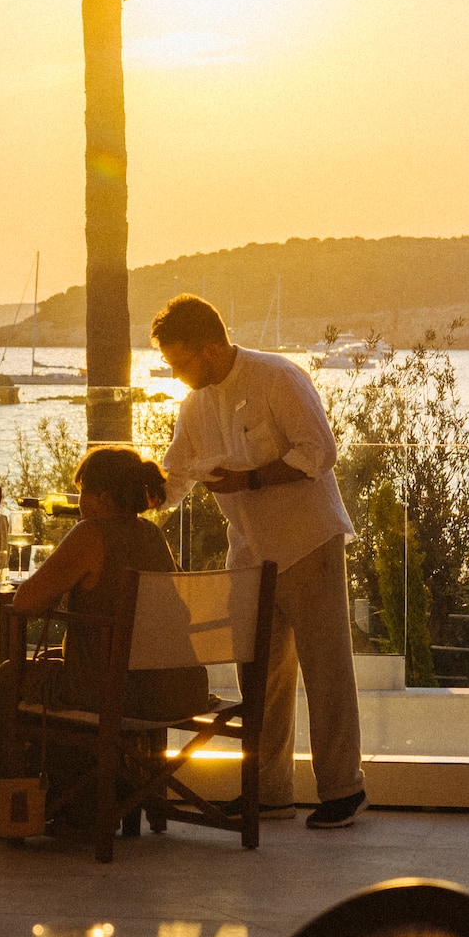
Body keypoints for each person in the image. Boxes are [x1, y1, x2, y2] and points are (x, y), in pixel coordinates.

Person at [152, 295, 367, 828]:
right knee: (261, 677)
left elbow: (318, 451)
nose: (174, 374)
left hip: (307, 542)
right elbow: (173, 477)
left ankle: (344, 789)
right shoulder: (194, 406)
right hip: (248, 550)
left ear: (209, 348)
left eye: (179, 363)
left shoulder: (277, 378)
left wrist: (249, 479)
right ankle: (269, 792)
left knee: (326, 670)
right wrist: (120, 496)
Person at [0, 447, 212, 830]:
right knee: (61, 667)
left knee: (12, 675)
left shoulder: (92, 532)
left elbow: (25, 601)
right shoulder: (151, 535)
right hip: (178, 687)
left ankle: (24, 813)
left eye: (82, 492)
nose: (79, 503)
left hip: (119, 692)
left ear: (100, 497)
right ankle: (109, 799)